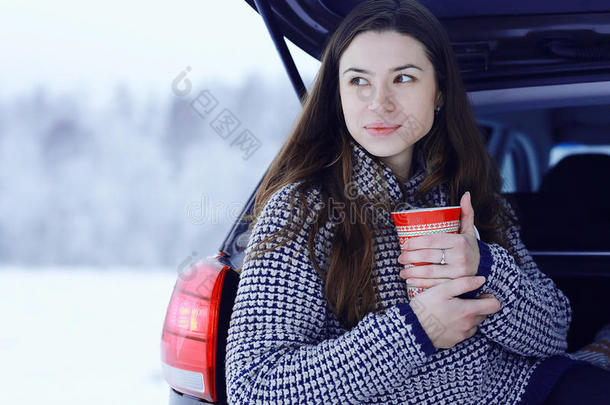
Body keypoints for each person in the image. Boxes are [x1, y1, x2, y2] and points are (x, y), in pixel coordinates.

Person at [225, 0, 610, 404]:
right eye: (359, 81)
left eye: (403, 78)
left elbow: (553, 332)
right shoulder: (301, 210)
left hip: (519, 390)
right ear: (337, 94)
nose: (380, 103)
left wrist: (484, 267)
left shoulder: (471, 192)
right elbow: (256, 388)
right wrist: (417, 329)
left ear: (439, 91)